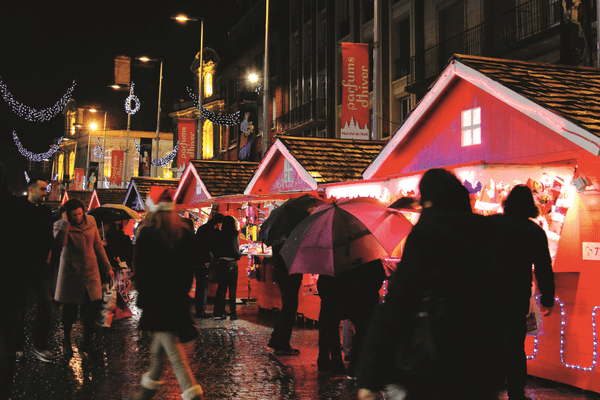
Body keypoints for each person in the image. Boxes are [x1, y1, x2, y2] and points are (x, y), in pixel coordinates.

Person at [357, 168, 501, 400]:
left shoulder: (426, 235)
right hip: (481, 364)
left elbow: (398, 303)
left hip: (434, 363)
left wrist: (369, 375)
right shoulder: (488, 233)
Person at [129, 189, 204, 400]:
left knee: (173, 352)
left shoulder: (148, 232)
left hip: (156, 301)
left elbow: (142, 270)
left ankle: (192, 393)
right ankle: (146, 390)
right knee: (159, 349)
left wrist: (143, 299)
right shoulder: (184, 232)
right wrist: (183, 293)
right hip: (177, 299)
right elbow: (190, 268)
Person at [489, 185, 555, 400]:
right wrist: (547, 298)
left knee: (490, 340)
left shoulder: (491, 224)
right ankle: (516, 392)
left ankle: (490, 385)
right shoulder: (534, 231)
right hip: (516, 295)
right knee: (515, 345)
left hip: (489, 293)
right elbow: (544, 267)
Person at [54, 199, 114, 357]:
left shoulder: (92, 221)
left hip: (90, 272)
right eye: (74, 215)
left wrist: (107, 267)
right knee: (69, 312)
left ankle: (86, 342)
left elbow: (98, 246)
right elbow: (60, 243)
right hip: (70, 273)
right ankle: (66, 341)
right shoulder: (60, 225)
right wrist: (65, 222)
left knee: (90, 311)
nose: (78, 217)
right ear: (68, 214)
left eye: (80, 213)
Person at [15, 176, 56, 363]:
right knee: (19, 308)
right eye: (42, 189)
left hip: (41, 267)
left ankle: (39, 344)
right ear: (31, 190)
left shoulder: (46, 211)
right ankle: (17, 345)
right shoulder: (19, 208)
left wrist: (48, 258)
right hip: (21, 266)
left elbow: (49, 236)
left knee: (46, 304)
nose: (45, 192)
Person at [0, 162, 29, 400]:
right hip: (11, 288)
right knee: (8, 346)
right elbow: (24, 251)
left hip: (11, 287)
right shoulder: (16, 208)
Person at [334, 259, 386, 379]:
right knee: (364, 332)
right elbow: (379, 276)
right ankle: (358, 367)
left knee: (360, 331)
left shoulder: (345, 259)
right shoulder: (371, 257)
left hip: (352, 301)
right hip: (368, 301)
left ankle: (355, 365)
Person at [267, 243, 302, 356]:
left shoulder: (278, 237)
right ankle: (282, 344)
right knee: (289, 307)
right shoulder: (290, 239)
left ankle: (276, 340)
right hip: (290, 273)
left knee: (288, 306)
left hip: (281, 272)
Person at [193, 213, 224, 318]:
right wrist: (207, 260)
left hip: (197, 261)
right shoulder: (211, 232)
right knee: (203, 286)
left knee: (200, 286)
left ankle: (199, 310)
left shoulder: (202, 229)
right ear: (218, 223)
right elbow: (208, 247)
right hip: (204, 262)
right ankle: (200, 311)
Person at [212, 215, 242, 320]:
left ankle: (222, 312)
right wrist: (239, 254)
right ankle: (233, 313)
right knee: (232, 289)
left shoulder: (218, 234)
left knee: (222, 288)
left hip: (221, 263)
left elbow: (215, 249)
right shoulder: (234, 234)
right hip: (231, 264)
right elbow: (235, 250)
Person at [316, 275, 345, 374]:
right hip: (334, 285)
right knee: (332, 324)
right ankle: (336, 360)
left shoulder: (324, 267)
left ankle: (323, 359)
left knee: (325, 322)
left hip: (325, 282)